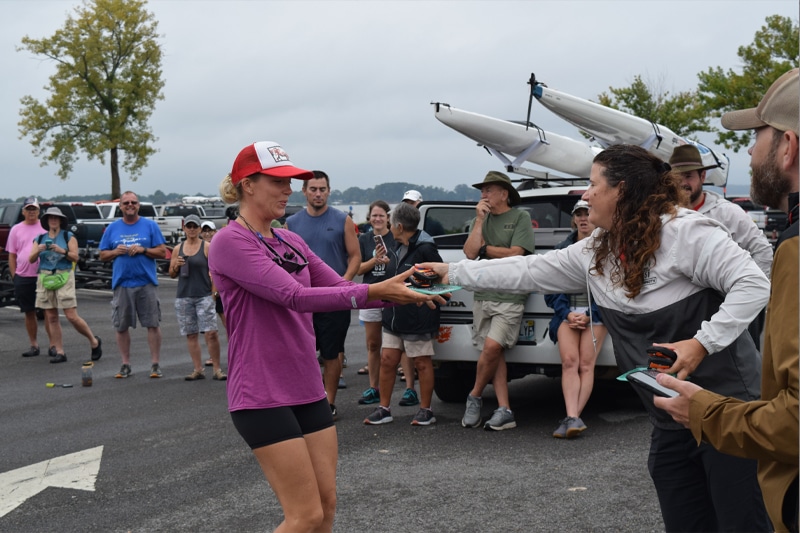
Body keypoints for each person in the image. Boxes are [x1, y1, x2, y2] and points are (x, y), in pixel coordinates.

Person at [421, 144, 771, 532]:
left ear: (623, 190)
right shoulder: (594, 250)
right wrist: (449, 272)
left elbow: (753, 284)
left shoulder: (686, 232)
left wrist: (701, 342)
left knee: (743, 523)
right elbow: (528, 270)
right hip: (670, 420)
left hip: (727, 414)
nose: (584, 195)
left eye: (592, 184)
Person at [208, 141, 439, 532]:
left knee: (327, 506)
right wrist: (379, 291)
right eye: (279, 181)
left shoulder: (289, 240)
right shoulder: (231, 242)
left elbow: (337, 290)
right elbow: (296, 297)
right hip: (261, 394)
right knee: (305, 515)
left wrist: (401, 288)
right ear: (247, 184)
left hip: (307, 388)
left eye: (291, 181)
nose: (289, 189)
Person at [655, 68, 799, 533]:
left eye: (758, 136)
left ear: (789, 146)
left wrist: (704, 411)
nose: (752, 151)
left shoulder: (781, 242)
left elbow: (796, 419)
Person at [669, 143, 773, 348]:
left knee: (740, 368)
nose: (682, 182)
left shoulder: (727, 213)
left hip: (728, 312)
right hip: (687, 315)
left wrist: (742, 298)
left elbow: (763, 251)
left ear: (702, 177)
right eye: (676, 177)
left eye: (688, 175)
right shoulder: (665, 214)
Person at [461, 171, 535, 431]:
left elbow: (516, 254)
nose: (483, 195)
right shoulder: (479, 220)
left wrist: (485, 250)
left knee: (491, 348)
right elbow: (470, 253)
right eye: (482, 191)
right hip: (483, 294)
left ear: (504, 194)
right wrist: (480, 222)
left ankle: (475, 396)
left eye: (488, 190)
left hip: (510, 295)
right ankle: (505, 410)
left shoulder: (520, 217)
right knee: (495, 354)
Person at [286, 170, 361, 417]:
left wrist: (343, 284)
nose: (318, 194)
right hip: (303, 300)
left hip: (334, 300)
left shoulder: (343, 220)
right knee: (302, 352)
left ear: (329, 191)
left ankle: (328, 403)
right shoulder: (292, 224)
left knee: (331, 352)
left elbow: (355, 256)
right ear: (304, 191)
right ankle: (307, 398)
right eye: (313, 189)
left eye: (322, 189)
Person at [363, 202, 443, 426]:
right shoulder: (394, 246)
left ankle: (426, 410)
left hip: (418, 319)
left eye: (391, 221)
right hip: (393, 315)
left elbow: (438, 282)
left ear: (398, 225)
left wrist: (419, 294)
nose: (388, 224)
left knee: (422, 363)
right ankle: (384, 408)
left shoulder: (426, 248)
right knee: (387, 360)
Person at [544, 200, 607, 438]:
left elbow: (611, 290)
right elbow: (551, 288)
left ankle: (572, 418)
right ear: (573, 219)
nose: (583, 218)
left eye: (588, 213)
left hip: (596, 315)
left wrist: (589, 315)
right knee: (569, 363)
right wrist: (567, 314)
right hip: (567, 313)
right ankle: (573, 417)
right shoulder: (563, 248)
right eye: (579, 214)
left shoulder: (607, 249)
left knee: (585, 365)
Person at [98, 191, 167, 379]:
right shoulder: (112, 228)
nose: (130, 205)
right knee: (121, 326)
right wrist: (115, 252)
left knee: (152, 324)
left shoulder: (150, 226)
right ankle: (125, 364)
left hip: (146, 282)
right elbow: (102, 254)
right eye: (126, 202)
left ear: (138, 205)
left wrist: (144, 249)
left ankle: (155, 364)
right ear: (120, 206)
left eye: (133, 202)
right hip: (122, 283)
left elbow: (162, 252)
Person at [28, 207, 102, 364]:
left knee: (71, 316)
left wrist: (62, 251)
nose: (53, 220)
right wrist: (38, 250)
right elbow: (31, 259)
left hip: (64, 275)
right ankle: (60, 351)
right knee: (52, 317)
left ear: (61, 220)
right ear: (47, 221)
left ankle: (93, 341)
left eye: (56, 218)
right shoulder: (40, 238)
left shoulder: (68, 236)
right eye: (50, 218)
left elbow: (75, 257)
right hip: (46, 277)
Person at [169, 214, 226, 382]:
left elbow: (216, 272)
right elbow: (171, 274)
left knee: (211, 333)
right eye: (189, 226)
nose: (192, 229)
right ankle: (197, 369)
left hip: (204, 295)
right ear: (184, 228)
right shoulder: (177, 249)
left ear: (199, 229)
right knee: (191, 334)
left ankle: (217, 369)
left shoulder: (207, 247)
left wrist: (214, 294)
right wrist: (175, 266)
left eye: (195, 227)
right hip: (184, 296)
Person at [355, 200, 394, 405]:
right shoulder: (364, 239)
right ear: (369, 218)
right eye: (374, 216)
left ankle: (408, 390)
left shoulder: (395, 236)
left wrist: (390, 262)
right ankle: (373, 387)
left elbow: (401, 264)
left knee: (397, 344)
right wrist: (374, 261)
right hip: (370, 294)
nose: (377, 219)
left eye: (381, 215)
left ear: (388, 217)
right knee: (373, 344)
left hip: (393, 295)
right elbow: (358, 269)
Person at [7, 196, 51, 358]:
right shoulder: (16, 229)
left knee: (48, 311)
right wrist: (15, 275)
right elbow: (12, 255)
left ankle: (54, 345)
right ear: (23, 211)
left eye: (34, 209)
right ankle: (33, 344)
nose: (32, 212)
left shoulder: (46, 228)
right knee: (29, 311)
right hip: (24, 276)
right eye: (29, 209)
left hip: (45, 276)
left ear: (39, 211)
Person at [201, 219, 226, 367]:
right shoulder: (199, 248)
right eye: (204, 231)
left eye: (209, 230)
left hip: (219, 292)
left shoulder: (218, 247)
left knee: (229, 325)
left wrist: (215, 292)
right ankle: (212, 356)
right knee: (208, 328)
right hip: (204, 291)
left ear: (215, 232)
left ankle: (236, 354)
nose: (207, 233)